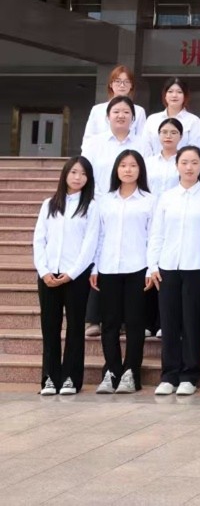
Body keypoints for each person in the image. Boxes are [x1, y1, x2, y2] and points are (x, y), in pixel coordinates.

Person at [147, 145, 200, 396]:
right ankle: (169, 375)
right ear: (177, 165)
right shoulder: (166, 197)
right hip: (168, 266)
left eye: (194, 162)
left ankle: (189, 374)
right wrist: (152, 265)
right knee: (169, 322)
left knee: (192, 322)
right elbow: (157, 233)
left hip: (197, 266)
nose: (189, 167)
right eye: (184, 162)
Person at [34, 157, 99, 396]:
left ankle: (71, 378)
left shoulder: (91, 207)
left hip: (76, 276)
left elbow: (90, 244)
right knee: (50, 327)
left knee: (75, 327)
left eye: (83, 174)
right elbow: (39, 240)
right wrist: (44, 271)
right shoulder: (49, 204)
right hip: (48, 275)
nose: (77, 177)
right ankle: (50, 378)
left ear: (88, 178)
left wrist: (72, 273)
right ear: (65, 174)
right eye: (73, 172)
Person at [93, 150, 154, 395]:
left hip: (137, 268)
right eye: (123, 165)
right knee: (109, 323)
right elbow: (99, 236)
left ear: (140, 170)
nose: (128, 170)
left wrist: (152, 268)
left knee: (135, 323)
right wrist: (95, 267)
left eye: (133, 165)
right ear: (116, 170)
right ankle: (112, 371)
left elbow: (153, 236)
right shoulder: (105, 200)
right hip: (108, 268)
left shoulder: (149, 200)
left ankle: (131, 372)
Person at [84, 96, 143, 187]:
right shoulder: (94, 143)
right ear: (108, 116)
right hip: (98, 194)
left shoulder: (142, 144)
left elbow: (146, 174)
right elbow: (84, 171)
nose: (121, 116)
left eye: (126, 112)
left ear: (133, 117)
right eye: (116, 112)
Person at [83, 64, 146, 144]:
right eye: (118, 81)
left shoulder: (139, 111)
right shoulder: (97, 109)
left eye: (126, 82)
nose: (122, 85)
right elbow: (88, 138)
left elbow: (142, 139)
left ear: (131, 85)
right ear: (110, 84)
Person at [141, 77, 200, 156]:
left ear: (185, 96)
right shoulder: (152, 119)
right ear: (165, 95)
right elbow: (145, 146)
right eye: (170, 91)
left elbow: (194, 148)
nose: (174, 95)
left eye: (179, 92)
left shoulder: (193, 120)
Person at [144, 117, 183, 195]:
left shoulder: (184, 162)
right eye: (164, 132)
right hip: (151, 202)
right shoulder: (148, 162)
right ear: (159, 135)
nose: (168, 136)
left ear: (181, 136)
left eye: (173, 133)